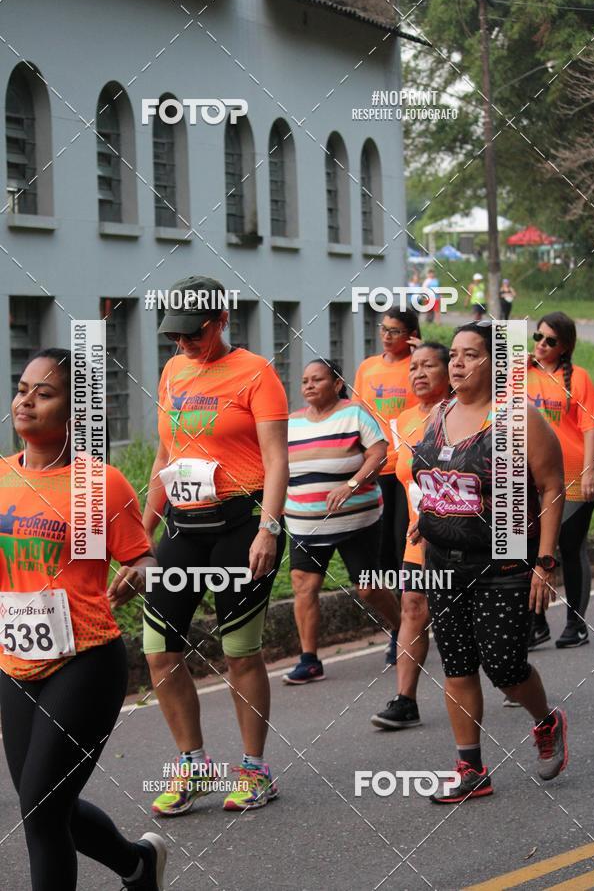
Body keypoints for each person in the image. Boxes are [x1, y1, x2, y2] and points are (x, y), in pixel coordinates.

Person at [0, 348, 165, 891]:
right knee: (41, 805)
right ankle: (137, 864)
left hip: (85, 660)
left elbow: (141, 557)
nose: (25, 400)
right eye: (23, 388)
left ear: (74, 415)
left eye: (43, 394)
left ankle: (136, 865)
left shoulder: (98, 485)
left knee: (44, 809)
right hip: (15, 664)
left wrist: (139, 573)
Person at [143, 276, 288, 816]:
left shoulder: (256, 373)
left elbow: (276, 460)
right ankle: (193, 765)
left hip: (239, 524)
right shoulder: (174, 370)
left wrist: (267, 530)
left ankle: (254, 771)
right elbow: (164, 457)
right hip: (183, 524)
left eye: (193, 335)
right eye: (175, 336)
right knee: (160, 651)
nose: (183, 345)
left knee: (238, 652)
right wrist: (142, 532)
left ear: (220, 321)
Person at [409, 322, 568, 803]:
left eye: (471, 355)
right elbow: (432, 473)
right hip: (442, 559)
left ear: (496, 364)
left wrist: (544, 561)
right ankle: (471, 768)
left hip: (505, 554)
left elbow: (552, 486)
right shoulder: (439, 414)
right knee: (456, 664)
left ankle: (546, 720)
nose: (456, 363)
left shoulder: (519, 418)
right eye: (454, 354)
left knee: (504, 665)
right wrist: (426, 513)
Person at [282, 359, 398, 683]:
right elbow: (278, 466)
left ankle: (404, 631)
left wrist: (351, 485)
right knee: (304, 586)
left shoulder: (355, 414)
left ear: (336, 384)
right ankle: (309, 660)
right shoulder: (291, 423)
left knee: (369, 588)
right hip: (305, 523)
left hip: (357, 520)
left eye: (317, 379)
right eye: (305, 380)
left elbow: (379, 454)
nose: (308, 386)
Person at [371, 342, 450, 729]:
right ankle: (405, 700)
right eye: (413, 367)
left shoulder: (468, 416)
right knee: (413, 605)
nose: (418, 373)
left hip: (468, 536)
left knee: (471, 617)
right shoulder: (401, 422)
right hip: (420, 536)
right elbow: (404, 481)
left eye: (428, 366)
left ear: (450, 372)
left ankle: (510, 677)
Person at [527, 312, 594, 649]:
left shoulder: (579, 378)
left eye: (550, 341)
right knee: (532, 549)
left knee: (569, 547)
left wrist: (589, 471)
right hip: (532, 475)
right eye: (538, 337)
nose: (541, 344)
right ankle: (537, 623)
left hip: (573, 475)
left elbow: (589, 426)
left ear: (565, 346)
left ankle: (576, 624)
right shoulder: (521, 375)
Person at [352, 307, 420, 664]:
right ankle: (400, 626)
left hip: (408, 470)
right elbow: (359, 413)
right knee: (380, 553)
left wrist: (423, 353)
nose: (387, 335)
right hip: (374, 468)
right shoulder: (367, 368)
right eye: (384, 329)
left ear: (410, 334)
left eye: (395, 330)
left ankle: (413, 620)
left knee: (401, 544)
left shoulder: (417, 365)